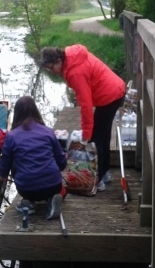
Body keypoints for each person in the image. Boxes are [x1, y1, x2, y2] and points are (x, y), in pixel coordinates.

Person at [40, 44, 126, 192]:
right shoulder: (72, 58)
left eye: (51, 67)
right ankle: (104, 173)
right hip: (114, 90)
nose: (51, 71)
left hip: (109, 95)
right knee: (102, 135)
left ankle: (97, 178)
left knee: (96, 139)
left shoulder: (75, 72)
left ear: (59, 60)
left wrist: (86, 134)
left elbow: (85, 105)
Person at [0, 96, 67, 220]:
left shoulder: (11, 136)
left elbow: (5, 163)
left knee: (15, 161)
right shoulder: (48, 132)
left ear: (16, 114)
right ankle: (51, 199)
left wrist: (2, 176)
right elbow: (61, 163)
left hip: (27, 189)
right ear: (35, 111)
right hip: (54, 185)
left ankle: (29, 203)